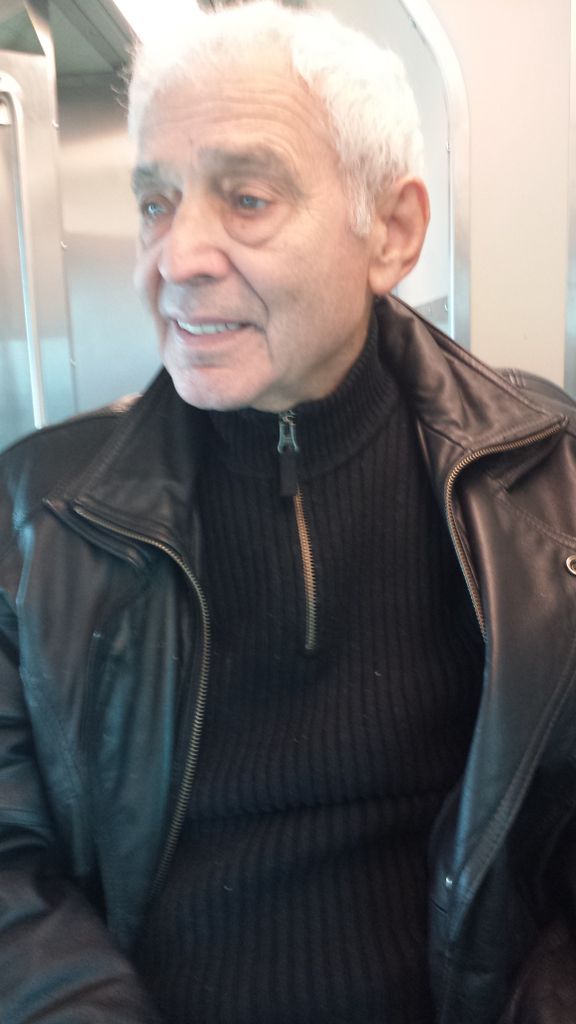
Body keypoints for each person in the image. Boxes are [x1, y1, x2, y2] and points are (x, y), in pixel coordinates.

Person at [1, 2, 576, 1022]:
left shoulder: (545, 479)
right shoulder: (39, 514)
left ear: (391, 232)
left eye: (248, 199)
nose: (177, 256)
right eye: (155, 203)